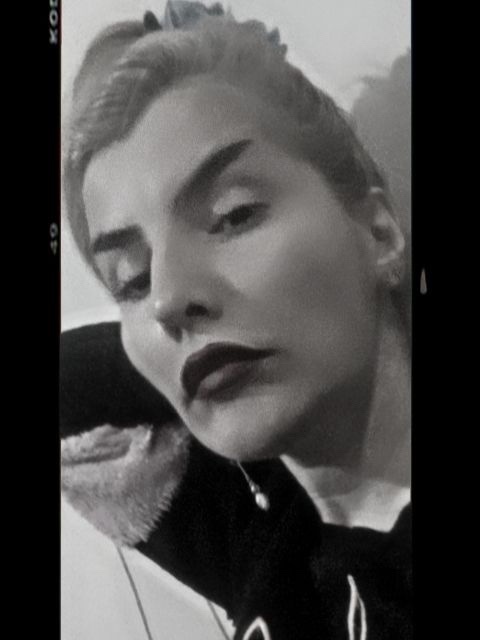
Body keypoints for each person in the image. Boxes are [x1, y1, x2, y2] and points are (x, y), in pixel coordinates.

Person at [61, 2, 411, 639]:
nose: (166, 298)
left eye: (233, 215)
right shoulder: (264, 538)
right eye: (132, 280)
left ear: (379, 232)